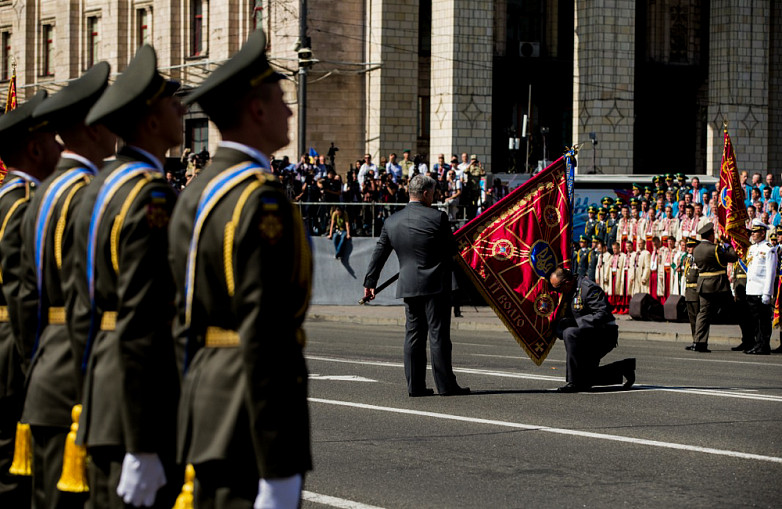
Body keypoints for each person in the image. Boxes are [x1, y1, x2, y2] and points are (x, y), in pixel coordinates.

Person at [171, 29, 312, 507]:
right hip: (248, 421)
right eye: (281, 100)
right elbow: (265, 332)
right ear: (256, 110)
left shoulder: (194, 191)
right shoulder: (260, 199)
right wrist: (276, 460)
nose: (290, 111)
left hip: (205, 406)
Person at [69, 44, 183, 507]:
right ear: (151, 123)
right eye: (171, 104)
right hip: (142, 409)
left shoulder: (97, 186)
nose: (182, 110)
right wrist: (142, 440)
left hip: (104, 391)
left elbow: (83, 312)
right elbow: (143, 318)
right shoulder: (151, 196)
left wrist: (93, 388)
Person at [16, 61, 114, 509]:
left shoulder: (44, 193)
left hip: (47, 367)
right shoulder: (84, 193)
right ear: (92, 127)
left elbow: (25, 297)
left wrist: (35, 359)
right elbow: (87, 298)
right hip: (77, 374)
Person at [0, 90, 60, 509]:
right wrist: (33, 360)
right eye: (53, 139)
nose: (61, 146)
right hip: (12, 344)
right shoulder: (23, 204)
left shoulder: (7, 196)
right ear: (34, 148)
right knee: (15, 471)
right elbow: (25, 291)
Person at [363, 174, 469, 397]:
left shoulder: (392, 221)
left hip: (409, 285)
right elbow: (452, 250)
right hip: (436, 285)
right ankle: (446, 386)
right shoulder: (437, 217)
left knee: (413, 335)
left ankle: (415, 386)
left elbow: (379, 254)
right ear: (426, 194)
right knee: (438, 336)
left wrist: (370, 282)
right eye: (434, 193)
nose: (434, 196)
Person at [549, 267, 635, 393]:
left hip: (603, 334)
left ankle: (572, 382)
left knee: (570, 333)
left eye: (557, 288)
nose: (557, 292)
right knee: (585, 380)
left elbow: (602, 313)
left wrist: (576, 323)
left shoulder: (589, 289)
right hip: (586, 334)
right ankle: (624, 368)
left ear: (567, 283)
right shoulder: (569, 291)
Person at [689, 222, 738, 352]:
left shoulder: (696, 249)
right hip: (718, 284)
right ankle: (749, 340)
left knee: (703, 314)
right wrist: (728, 245)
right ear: (711, 235)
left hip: (703, 284)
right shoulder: (715, 248)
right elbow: (733, 257)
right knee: (738, 310)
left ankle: (699, 342)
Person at [744, 220, 777, 354]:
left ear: (763, 233)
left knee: (763, 321)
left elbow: (770, 272)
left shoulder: (769, 249)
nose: (753, 234)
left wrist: (767, 293)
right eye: (752, 232)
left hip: (761, 290)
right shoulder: (752, 248)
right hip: (752, 289)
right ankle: (758, 344)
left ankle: (764, 345)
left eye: (755, 232)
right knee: (755, 320)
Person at [683, 237, 700, 339]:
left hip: (696, 291)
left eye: (691, 246)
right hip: (689, 292)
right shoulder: (688, 259)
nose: (688, 248)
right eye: (688, 246)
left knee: (698, 318)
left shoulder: (699, 259)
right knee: (692, 319)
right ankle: (695, 339)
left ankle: (699, 340)